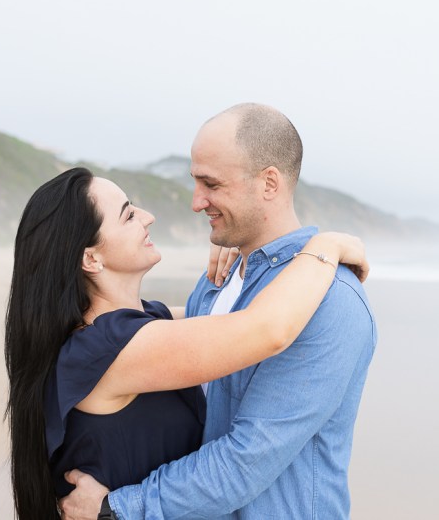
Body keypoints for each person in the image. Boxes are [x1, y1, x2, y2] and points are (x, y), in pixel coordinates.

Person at [59, 104, 377, 520]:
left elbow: (246, 460)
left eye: (210, 184)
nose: (196, 202)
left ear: (268, 183)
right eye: (195, 182)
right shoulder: (218, 281)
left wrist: (116, 506)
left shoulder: (330, 299)